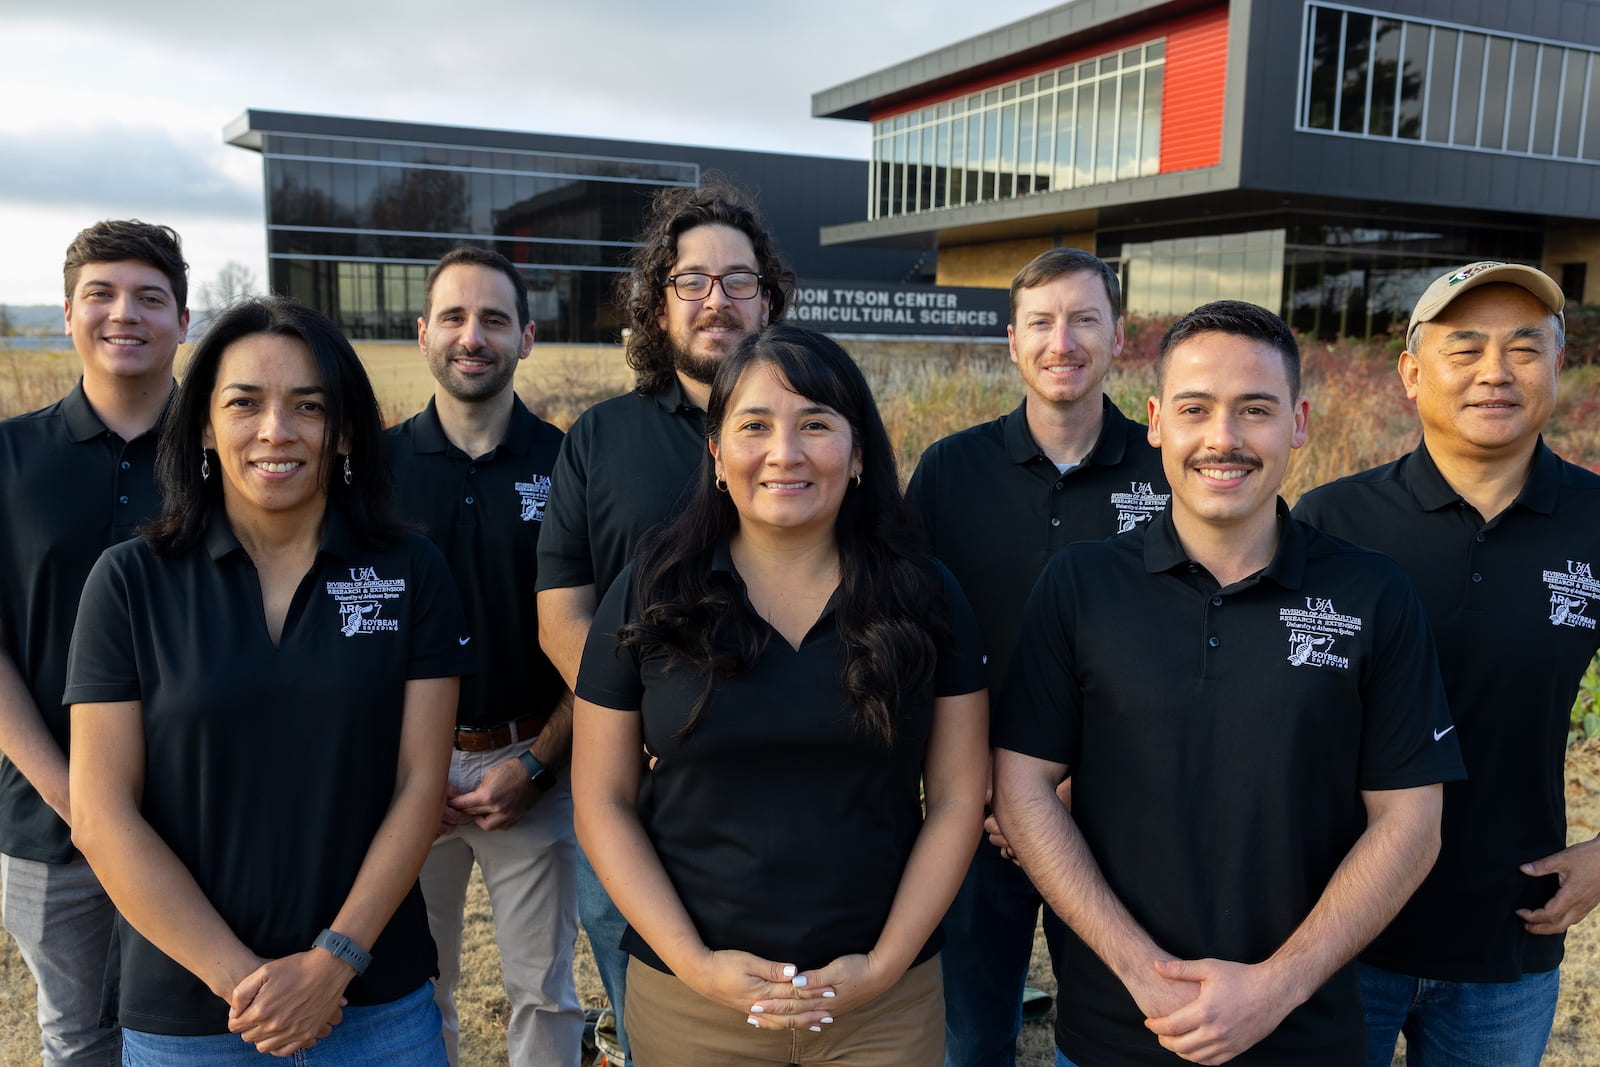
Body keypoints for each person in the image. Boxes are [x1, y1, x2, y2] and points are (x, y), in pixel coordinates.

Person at [992, 300, 1466, 1066]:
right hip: (1116, 1033)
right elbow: (1022, 787)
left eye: (1255, 409)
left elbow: (1411, 825)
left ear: (1299, 422)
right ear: (1155, 421)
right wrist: (1143, 973)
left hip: (1305, 1037)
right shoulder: (1079, 585)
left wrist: (1278, 986)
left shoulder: (1373, 594)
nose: (1224, 438)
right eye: (1195, 408)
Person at [63, 296, 472, 1064]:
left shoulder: (412, 573)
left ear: (344, 429)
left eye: (307, 407)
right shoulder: (128, 583)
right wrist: (249, 983)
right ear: (206, 426)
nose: (275, 431)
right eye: (244, 403)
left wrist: (333, 962)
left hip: (377, 1004)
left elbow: (421, 783)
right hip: (194, 1014)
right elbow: (101, 812)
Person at [571, 324, 987, 1066]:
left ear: (859, 454)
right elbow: (602, 799)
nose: (784, 453)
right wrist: (695, 963)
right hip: (692, 1000)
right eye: (755, 425)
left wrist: (887, 963)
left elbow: (958, 796)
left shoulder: (927, 596)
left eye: (816, 425)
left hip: (882, 1002)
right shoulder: (651, 589)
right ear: (716, 453)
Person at [1293, 262, 1600, 1066]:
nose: (1494, 372)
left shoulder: (1596, 522)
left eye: (1523, 349)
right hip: (1335, 928)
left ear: (1558, 365)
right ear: (1411, 373)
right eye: (1464, 349)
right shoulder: (1332, 521)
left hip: (1508, 937)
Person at [536, 181, 795, 1063]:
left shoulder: (818, 433)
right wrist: (638, 726)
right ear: (659, 302)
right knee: (655, 1020)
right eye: (693, 281)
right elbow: (560, 610)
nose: (717, 299)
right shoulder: (599, 439)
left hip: (795, 795)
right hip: (637, 795)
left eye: (739, 279)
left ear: (770, 296)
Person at [905, 247, 1168, 1067]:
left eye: (1085, 319)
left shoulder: (1168, 469)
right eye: (1043, 322)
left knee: (1117, 1032)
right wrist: (981, 783)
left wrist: (1067, 783)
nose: (1064, 341)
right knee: (971, 1033)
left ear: (1118, 338)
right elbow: (915, 633)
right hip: (974, 808)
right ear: (1011, 341)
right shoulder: (951, 470)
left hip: (1122, 812)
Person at [387, 247, 583, 1066]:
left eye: (495, 319)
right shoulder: (370, 466)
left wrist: (538, 765)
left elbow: (598, 637)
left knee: (544, 989)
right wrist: (404, 774)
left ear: (527, 337)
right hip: (403, 771)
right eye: (456, 318)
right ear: (423, 331)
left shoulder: (569, 462)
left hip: (531, 759)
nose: (474, 336)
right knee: (411, 988)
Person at [0, 220, 189, 1065]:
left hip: (203, 816)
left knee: (205, 1032)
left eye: (151, 297)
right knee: (77, 1037)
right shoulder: (10, 457)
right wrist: (76, 796)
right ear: (68, 313)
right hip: (47, 818)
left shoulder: (232, 455)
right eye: (102, 295)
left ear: (184, 321)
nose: (126, 315)